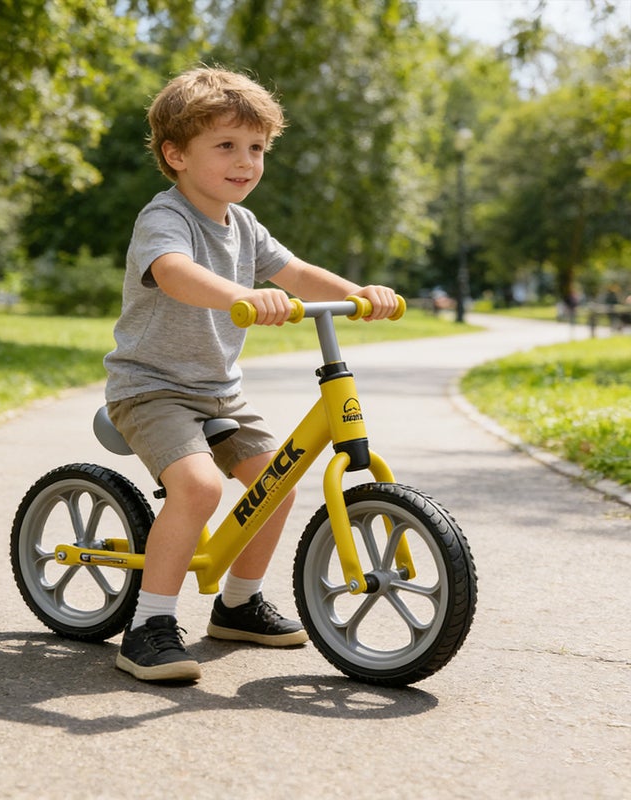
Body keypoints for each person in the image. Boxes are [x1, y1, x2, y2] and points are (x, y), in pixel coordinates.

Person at [103, 66, 399, 682]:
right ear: (176, 155)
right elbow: (174, 271)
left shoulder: (244, 225)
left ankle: (238, 604)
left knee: (278, 481)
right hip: (152, 389)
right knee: (199, 489)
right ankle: (149, 626)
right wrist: (241, 294)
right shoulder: (166, 217)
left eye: (257, 148)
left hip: (219, 393)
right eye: (226, 145)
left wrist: (358, 293)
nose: (246, 162)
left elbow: (298, 274)